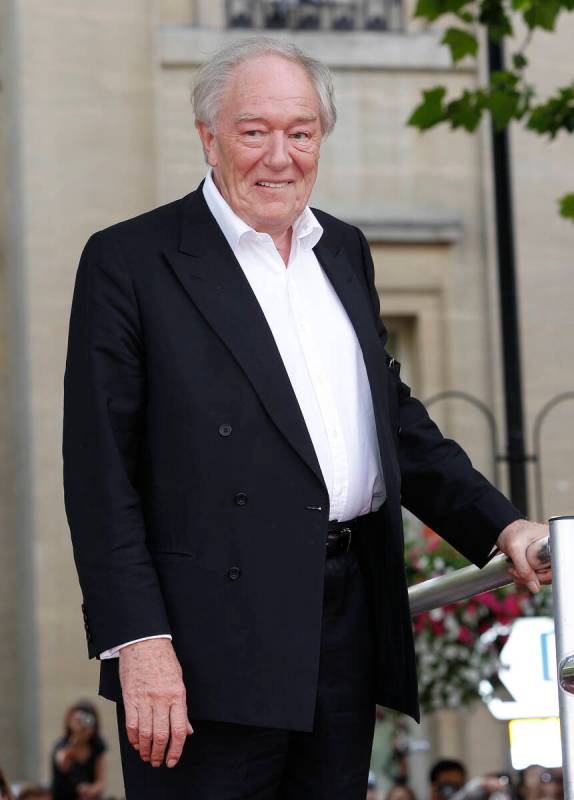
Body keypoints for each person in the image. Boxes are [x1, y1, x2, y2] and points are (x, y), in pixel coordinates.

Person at [63, 36, 552, 799]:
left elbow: (390, 418)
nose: (279, 156)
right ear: (209, 137)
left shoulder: (345, 251)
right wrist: (141, 643)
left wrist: (502, 524)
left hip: (342, 621)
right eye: (254, 131)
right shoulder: (131, 261)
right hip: (202, 649)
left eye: (301, 132)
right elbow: (100, 477)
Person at [51, 701, 106, 800]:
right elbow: (62, 763)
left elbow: (100, 783)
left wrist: (91, 790)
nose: (83, 724)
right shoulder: (61, 745)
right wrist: (75, 740)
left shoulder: (97, 746)